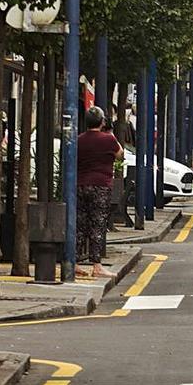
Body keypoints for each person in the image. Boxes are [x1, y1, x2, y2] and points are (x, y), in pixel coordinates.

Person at [76, 107, 120, 279]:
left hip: (80, 185)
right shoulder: (108, 140)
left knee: (79, 224)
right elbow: (120, 155)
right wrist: (110, 133)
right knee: (98, 224)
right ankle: (96, 265)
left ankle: (74, 262)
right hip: (100, 185)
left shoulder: (79, 139)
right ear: (102, 122)